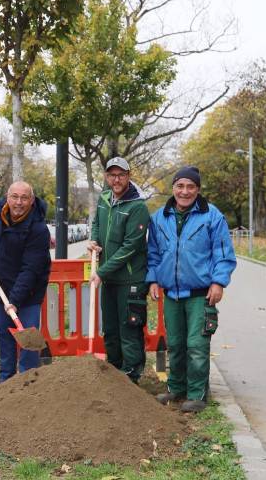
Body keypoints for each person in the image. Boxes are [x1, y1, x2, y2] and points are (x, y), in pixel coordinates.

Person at [146, 166, 237, 412]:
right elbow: (153, 254)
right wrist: (153, 280)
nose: (185, 191)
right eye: (180, 186)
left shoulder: (212, 216)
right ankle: (176, 388)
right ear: (173, 187)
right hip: (171, 294)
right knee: (175, 344)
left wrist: (218, 282)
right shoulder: (159, 218)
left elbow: (223, 254)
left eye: (190, 187)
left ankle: (197, 393)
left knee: (197, 345)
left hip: (200, 294)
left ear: (197, 189)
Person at [0, 181, 51, 389]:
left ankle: (28, 383)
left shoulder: (38, 229)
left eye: (24, 198)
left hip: (28, 292)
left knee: (27, 337)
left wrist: (15, 300)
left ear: (31, 200)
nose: (18, 202)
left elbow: (31, 269)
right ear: (7, 197)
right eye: (15, 197)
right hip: (2, 288)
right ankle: (6, 381)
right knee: (3, 334)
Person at [88, 157, 150, 383]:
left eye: (121, 175)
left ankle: (131, 376)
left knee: (129, 328)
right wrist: (94, 241)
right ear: (106, 177)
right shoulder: (104, 198)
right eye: (112, 175)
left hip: (130, 279)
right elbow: (96, 223)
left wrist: (101, 272)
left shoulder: (138, 207)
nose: (116, 179)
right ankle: (114, 373)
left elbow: (131, 247)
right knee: (111, 329)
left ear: (128, 176)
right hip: (110, 279)